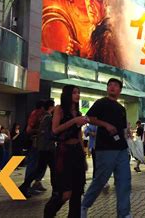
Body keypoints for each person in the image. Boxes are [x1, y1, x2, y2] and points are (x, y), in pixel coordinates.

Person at [81, 78, 131, 218]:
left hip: (121, 148)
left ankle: (124, 213)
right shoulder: (101, 103)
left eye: (115, 85)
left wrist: (128, 142)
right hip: (105, 148)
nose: (112, 87)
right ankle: (84, 205)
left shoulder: (122, 108)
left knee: (124, 181)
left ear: (120, 90)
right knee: (100, 180)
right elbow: (89, 118)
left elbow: (122, 130)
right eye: (110, 85)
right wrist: (106, 125)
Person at [44, 86, 88, 217]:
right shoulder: (59, 109)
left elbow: (79, 135)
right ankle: (49, 212)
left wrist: (83, 155)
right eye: (74, 92)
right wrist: (74, 121)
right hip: (64, 151)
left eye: (79, 93)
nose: (77, 95)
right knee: (66, 193)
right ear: (68, 94)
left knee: (77, 192)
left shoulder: (78, 112)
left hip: (77, 152)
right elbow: (55, 129)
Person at [20, 99, 57, 198]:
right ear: (51, 107)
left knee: (40, 167)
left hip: (42, 146)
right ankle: (55, 191)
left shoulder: (42, 116)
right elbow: (44, 132)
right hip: (45, 147)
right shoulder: (46, 117)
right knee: (50, 168)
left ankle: (26, 186)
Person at [25, 100, 47, 193]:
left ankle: (36, 183)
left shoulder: (41, 115)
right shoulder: (35, 114)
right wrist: (41, 131)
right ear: (42, 107)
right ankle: (27, 185)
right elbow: (29, 130)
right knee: (33, 163)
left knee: (40, 163)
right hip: (36, 143)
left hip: (40, 143)